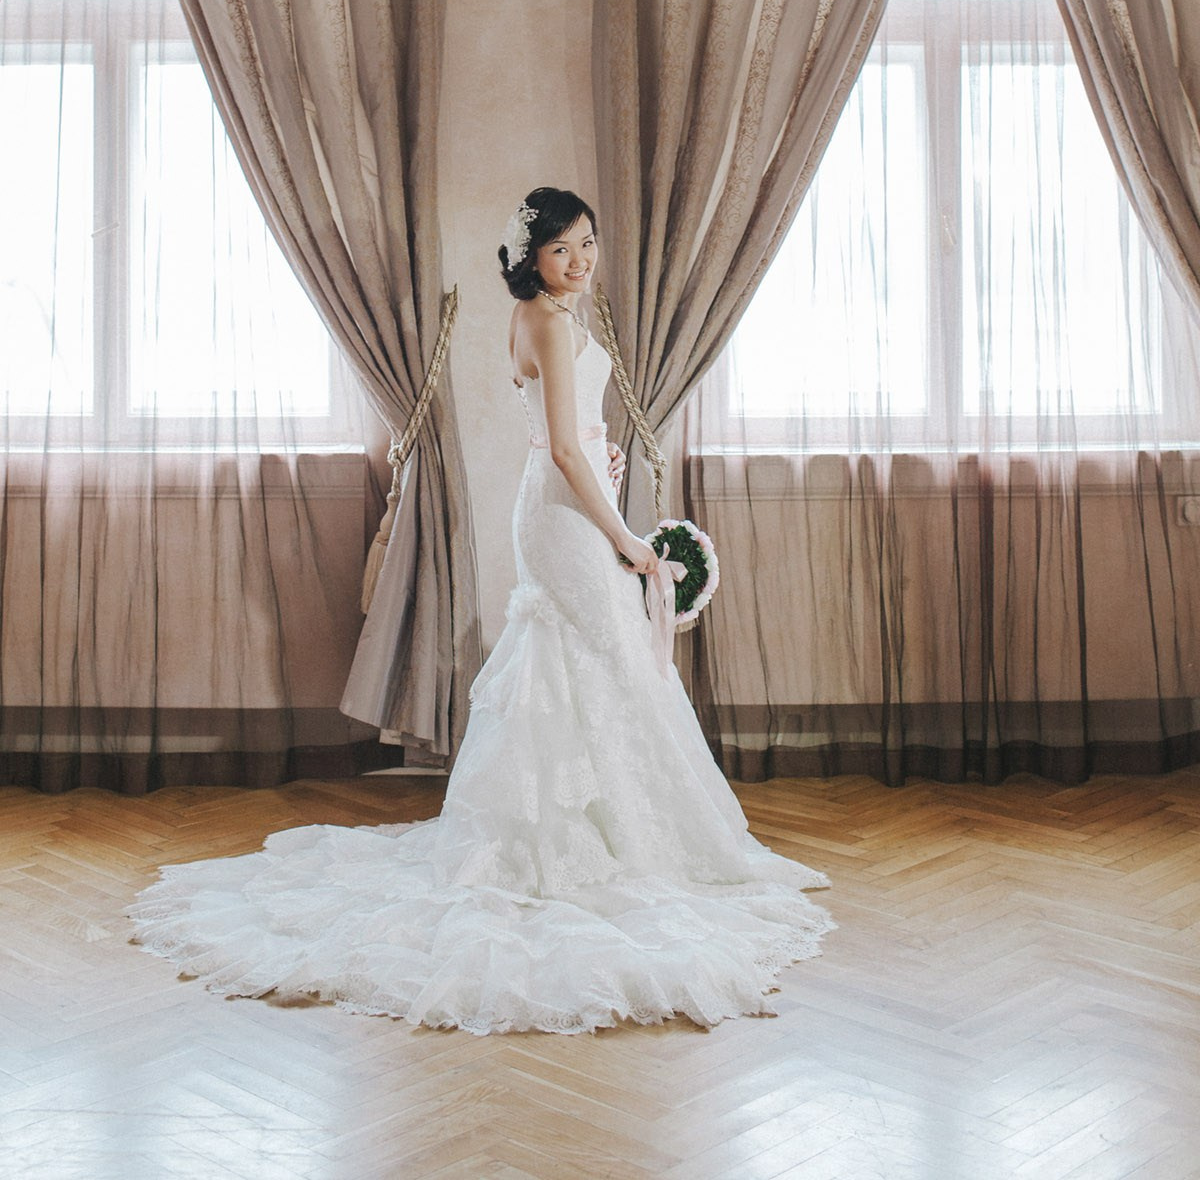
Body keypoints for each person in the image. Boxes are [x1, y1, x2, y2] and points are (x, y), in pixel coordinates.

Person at [128, 186, 833, 1033]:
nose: (580, 260)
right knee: (603, 662)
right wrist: (629, 538)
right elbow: (563, 445)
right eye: (562, 248)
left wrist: (600, 456)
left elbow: (562, 433)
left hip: (561, 505)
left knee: (584, 669)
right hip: (567, 519)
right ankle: (581, 848)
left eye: (588, 243)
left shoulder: (546, 320)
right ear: (529, 257)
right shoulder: (547, 322)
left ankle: (599, 834)